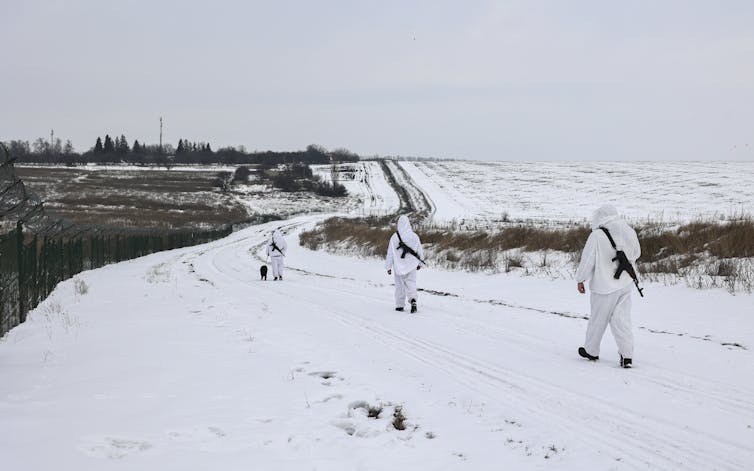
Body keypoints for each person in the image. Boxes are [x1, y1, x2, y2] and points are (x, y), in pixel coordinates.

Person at [576, 205, 641, 368]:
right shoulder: (629, 230)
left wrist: (580, 279)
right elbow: (636, 253)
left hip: (604, 286)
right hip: (626, 283)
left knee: (598, 320)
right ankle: (627, 356)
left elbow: (587, 260)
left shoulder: (597, 235)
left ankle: (591, 350)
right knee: (622, 319)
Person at [385, 215, 425, 313]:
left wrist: (388, 266)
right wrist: (420, 263)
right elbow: (419, 250)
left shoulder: (394, 237)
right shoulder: (414, 236)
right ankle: (413, 300)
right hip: (411, 265)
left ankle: (400, 305)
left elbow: (390, 253)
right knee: (411, 283)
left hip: (398, 266)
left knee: (400, 286)